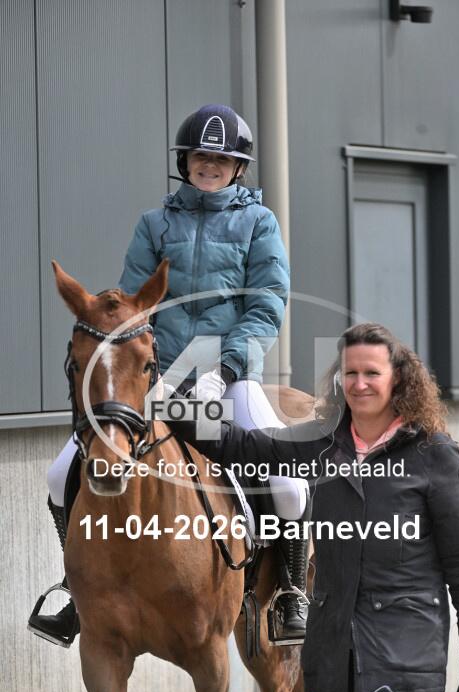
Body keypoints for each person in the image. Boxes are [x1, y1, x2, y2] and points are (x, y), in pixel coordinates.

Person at [28, 104, 310, 646]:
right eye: (201, 157)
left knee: (288, 484)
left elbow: (267, 304)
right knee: (60, 473)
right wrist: (145, 369)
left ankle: (292, 591)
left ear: (238, 168)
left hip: (229, 376)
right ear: (185, 162)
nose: (210, 166)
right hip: (159, 375)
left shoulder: (259, 223)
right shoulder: (154, 224)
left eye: (221, 160)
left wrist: (225, 367)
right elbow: (134, 305)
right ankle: (73, 591)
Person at [164, 322, 459, 692]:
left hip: (404, 652)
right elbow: (242, 446)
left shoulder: (435, 455)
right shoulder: (322, 444)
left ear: (398, 378)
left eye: (372, 373)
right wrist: (176, 408)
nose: (359, 383)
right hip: (339, 652)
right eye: (350, 372)